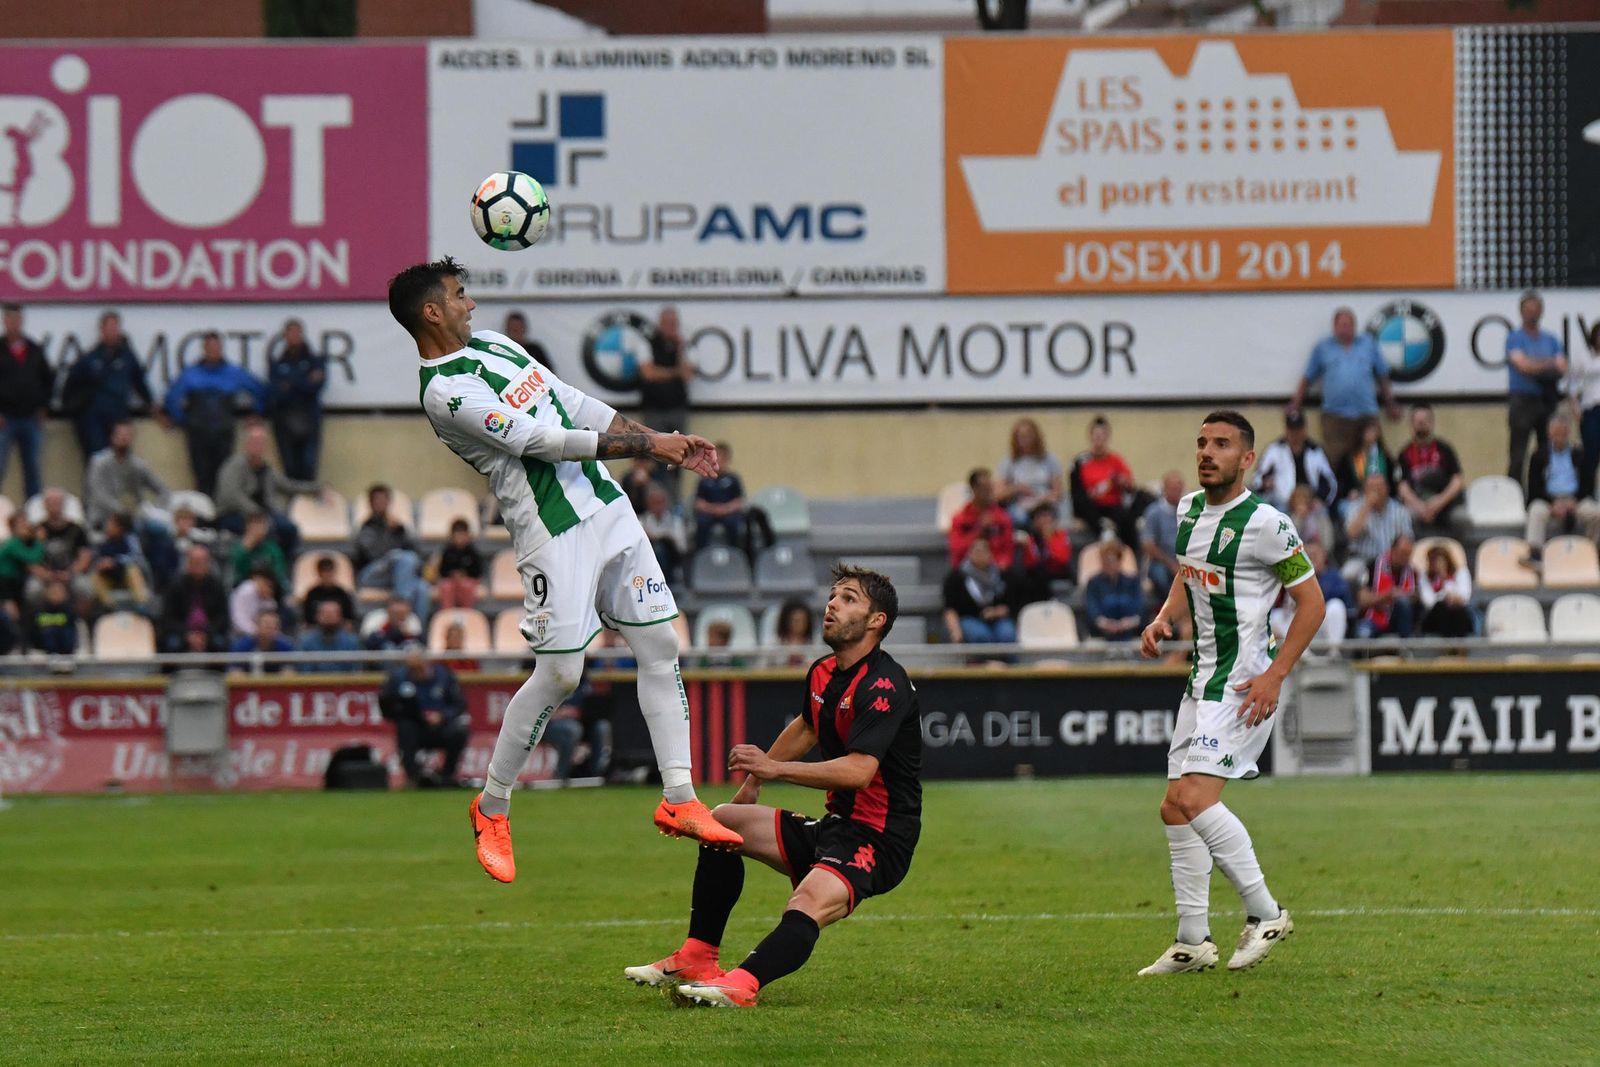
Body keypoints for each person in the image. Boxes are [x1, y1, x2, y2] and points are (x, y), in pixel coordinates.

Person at [389, 256, 740, 876]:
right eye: (460, 295)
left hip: (607, 506)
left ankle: (680, 799)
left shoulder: (495, 344)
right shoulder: (445, 392)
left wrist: (659, 442)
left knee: (660, 643)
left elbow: (573, 404)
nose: (472, 305)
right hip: (552, 531)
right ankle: (492, 805)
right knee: (561, 677)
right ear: (431, 312)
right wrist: (650, 444)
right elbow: (541, 441)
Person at [627, 566, 921, 1009]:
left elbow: (860, 771)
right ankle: (698, 958)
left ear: (876, 621)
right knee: (721, 823)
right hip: (837, 826)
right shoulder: (824, 671)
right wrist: (755, 781)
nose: (832, 605)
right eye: (833, 595)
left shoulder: (885, 684)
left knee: (807, 902)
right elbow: (807, 727)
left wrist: (774, 769)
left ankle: (743, 984)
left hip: (879, 839)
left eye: (849, 599)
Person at [1138, 410, 1323, 975]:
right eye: (1201, 442)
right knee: (1174, 807)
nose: (1206, 452)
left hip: (1244, 685)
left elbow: (1312, 604)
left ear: (1246, 459)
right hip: (1200, 680)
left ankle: (1265, 912)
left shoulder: (1267, 524)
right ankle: (1193, 940)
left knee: (1195, 798)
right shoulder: (1187, 509)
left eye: (1221, 444)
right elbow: (1188, 571)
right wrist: (1165, 616)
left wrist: (1275, 676)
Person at [162, 331, 268, 498]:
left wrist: (256, 414)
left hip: (224, 432)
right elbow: (171, 399)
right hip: (198, 433)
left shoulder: (233, 372)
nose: (214, 351)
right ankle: (205, 519)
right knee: (202, 477)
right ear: (204, 349)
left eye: (217, 347)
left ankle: (222, 519)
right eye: (210, 347)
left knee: (225, 477)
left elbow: (260, 391)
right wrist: (183, 421)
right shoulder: (191, 373)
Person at [1289, 307, 1400, 466]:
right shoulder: (1323, 348)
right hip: (1335, 416)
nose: (1346, 328)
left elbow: (1383, 376)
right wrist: (1295, 405)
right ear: (1334, 326)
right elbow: (1307, 377)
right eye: (1342, 325)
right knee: (1335, 461)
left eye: (1349, 325)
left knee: (1373, 458)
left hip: (1366, 414)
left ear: (1355, 326)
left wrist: (1391, 404)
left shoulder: (1368, 344)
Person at [59, 310, 155, 464]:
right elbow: (70, 388)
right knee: (97, 463)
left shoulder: (127, 357)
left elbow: (139, 382)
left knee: (121, 464)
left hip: (119, 417)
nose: (113, 332)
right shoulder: (88, 359)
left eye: (116, 327)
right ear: (101, 330)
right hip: (93, 420)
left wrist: (152, 406)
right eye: (110, 327)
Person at [214, 423, 317, 556]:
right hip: (234, 514)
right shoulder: (233, 466)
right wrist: (255, 513)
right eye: (255, 442)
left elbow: (288, 486)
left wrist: (315, 488)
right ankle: (259, 567)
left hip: (265, 514)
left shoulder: (267, 469)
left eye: (261, 442)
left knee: (289, 529)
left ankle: (281, 566)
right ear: (247, 444)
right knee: (268, 532)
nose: (258, 446)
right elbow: (231, 495)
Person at [380, 644, 470, 787]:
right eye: (412, 669)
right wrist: (412, 714)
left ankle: (447, 775)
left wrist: (442, 716)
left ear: (425, 663)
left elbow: (459, 704)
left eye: (418, 668)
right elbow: (386, 706)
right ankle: (414, 778)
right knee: (405, 727)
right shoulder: (398, 678)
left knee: (460, 730)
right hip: (415, 726)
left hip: (441, 725)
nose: (416, 673)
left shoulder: (444, 676)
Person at [1505, 290, 1568, 488]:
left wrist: (1535, 366)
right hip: (1522, 400)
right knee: (1518, 455)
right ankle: (1514, 498)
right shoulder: (1515, 338)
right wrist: (1548, 364)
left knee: (1547, 452)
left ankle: (1543, 495)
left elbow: (1563, 367)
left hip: (1547, 400)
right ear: (1521, 312)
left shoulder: (1551, 339)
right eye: (1528, 310)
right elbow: (1522, 366)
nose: (1532, 313)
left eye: (1535, 309)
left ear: (1541, 311)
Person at [352, 484, 430, 622]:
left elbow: (415, 551)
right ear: (371, 503)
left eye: (384, 500)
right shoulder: (366, 527)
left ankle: (415, 631)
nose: (381, 503)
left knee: (422, 588)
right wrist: (389, 532)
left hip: (396, 576)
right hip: (371, 575)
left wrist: (399, 531)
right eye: (377, 500)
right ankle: (401, 604)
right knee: (400, 557)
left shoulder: (398, 527)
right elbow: (374, 554)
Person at [0, 302, 53, 500]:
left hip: (31, 419)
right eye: (10, 320)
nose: (14, 324)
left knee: (33, 470)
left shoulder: (34, 350)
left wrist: (44, 407)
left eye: (18, 320)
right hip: (5, 420)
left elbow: (48, 380)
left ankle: (33, 514)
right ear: (5, 322)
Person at [1069, 416, 1147, 549]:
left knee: (1127, 519)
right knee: (1085, 505)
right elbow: (1075, 490)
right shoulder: (1081, 461)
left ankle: (1131, 554)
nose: (1099, 439)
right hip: (1090, 505)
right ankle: (1103, 532)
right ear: (1090, 436)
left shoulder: (1115, 460)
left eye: (1102, 435)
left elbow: (1131, 486)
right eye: (1096, 435)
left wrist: (1122, 482)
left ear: (1108, 437)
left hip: (1112, 504)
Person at [1526, 412, 1600, 549]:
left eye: (1561, 434)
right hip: (1548, 500)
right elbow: (1534, 488)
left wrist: (1573, 501)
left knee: (1596, 514)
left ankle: (1593, 552)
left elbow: (1588, 484)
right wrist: (1553, 503)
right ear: (1549, 434)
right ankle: (1534, 553)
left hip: (1575, 499)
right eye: (1555, 435)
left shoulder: (1579, 454)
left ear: (1568, 433)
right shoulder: (1538, 456)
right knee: (1535, 512)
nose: (1558, 439)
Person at [266, 318, 327, 482]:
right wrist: (303, 380)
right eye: (290, 333)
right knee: (290, 468)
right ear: (285, 337)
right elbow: (276, 391)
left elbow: (315, 388)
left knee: (308, 466)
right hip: (284, 420)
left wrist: (290, 382)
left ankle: (307, 505)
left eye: (297, 333)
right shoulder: (278, 363)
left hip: (309, 419)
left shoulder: (315, 361)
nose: (293, 337)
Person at [84, 420, 170, 532]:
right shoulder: (98, 463)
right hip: (104, 519)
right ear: (112, 437)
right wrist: (123, 510)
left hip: (134, 521)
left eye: (128, 435)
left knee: (161, 530)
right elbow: (98, 494)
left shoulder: (138, 465)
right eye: (120, 434)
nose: (124, 438)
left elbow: (163, 490)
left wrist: (158, 510)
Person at [1395, 403, 1466, 536]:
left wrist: (1439, 502)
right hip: (1417, 503)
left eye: (1425, 421)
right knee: (1404, 516)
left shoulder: (1445, 449)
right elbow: (1402, 486)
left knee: (1459, 517)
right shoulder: (1404, 454)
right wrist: (1419, 507)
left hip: (1444, 502)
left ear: (1432, 423)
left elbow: (1457, 480)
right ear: (1411, 425)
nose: (1421, 425)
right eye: (1418, 422)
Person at [1251, 409, 1337, 511]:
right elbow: (1257, 478)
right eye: (1291, 430)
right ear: (1286, 430)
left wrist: (1320, 499)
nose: (1295, 434)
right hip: (1282, 504)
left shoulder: (1315, 451)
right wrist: (1265, 483)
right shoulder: (1275, 450)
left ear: (1304, 429)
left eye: (1298, 430)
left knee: (1321, 515)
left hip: (1310, 504)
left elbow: (1330, 483)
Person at [1271, 542, 1350, 650]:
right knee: (1275, 616)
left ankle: (1334, 653)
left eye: (1315, 555)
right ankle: (1301, 657)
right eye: (1308, 555)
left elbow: (1344, 601)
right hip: (1300, 627)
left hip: (1322, 627)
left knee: (1336, 606)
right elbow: (1281, 604)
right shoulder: (1293, 575)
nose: (1312, 559)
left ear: (1324, 555)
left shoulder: (1332, 576)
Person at [941, 538, 1015, 645]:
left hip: (998, 618)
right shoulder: (957, 577)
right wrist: (956, 631)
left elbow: (1012, 603)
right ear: (969, 554)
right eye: (976, 551)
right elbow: (950, 608)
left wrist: (997, 612)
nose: (979, 555)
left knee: (1007, 635)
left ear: (990, 554)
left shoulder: (1002, 576)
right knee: (981, 636)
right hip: (969, 617)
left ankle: (1009, 661)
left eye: (983, 551)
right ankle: (985, 661)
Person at [158, 546, 230, 653]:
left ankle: (219, 670)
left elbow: (223, 618)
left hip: (209, 632)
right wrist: (188, 634)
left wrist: (206, 634)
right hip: (182, 632)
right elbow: (167, 619)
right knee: (172, 644)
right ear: (188, 564)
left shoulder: (217, 586)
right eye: (195, 562)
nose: (199, 566)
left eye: (203, 562)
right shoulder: (175, 586)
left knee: (220, 643)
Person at [996, 417, 1066, 526]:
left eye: (1027, 435)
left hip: (1043, 503)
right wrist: (1018, 488)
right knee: (1019, 518)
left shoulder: (1049, 460)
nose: (1024, 440)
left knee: (1046, 518)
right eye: (1020, 436)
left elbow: (1058, 492)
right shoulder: (1009, 462)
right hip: (1020, 505)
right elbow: (999, 493)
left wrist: (1043, 498)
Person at [32, 489, 93, 608]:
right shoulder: (36, 529)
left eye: (58, 503)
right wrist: (45, 574)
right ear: (44, 505)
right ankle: (38, 622)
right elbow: (29, 559)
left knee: (85, 589)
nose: (55, 506)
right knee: (33, 590)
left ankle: (78, 621)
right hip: (45, 575)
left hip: (71, 573)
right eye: (51, 503)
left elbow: (85, 556)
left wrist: (70, 573)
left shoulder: (77, 529)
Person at [639, 305, 694, 438]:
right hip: (653, 408)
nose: (671, 327)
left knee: (680, 452)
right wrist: (675, 372)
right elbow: (649, 374)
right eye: (668, 323)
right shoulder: (647, 343)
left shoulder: (685, 345)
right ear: (660, 323)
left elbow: (688, 375)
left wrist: (681, 351)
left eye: (674, 323)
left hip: (678, 408)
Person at [947, 467, 1015, 569]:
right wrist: (979, 531)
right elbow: (957, 549)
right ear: (974, 489)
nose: (988, 493)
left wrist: (1002, 562)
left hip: (995, 566)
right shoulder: (960, 519)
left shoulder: (1002, 517)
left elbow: (1007, 548)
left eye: (990, 488)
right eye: (984, 488)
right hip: (969, 567)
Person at [1344, 472, 1413, 568]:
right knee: (1349, 572)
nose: (1376, 491)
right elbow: (1351, 533)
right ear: (1365, 490)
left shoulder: (1400, 510)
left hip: (1392, 561)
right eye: (1372, 488)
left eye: (1379, 487)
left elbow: (1408, 540)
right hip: (1363, 560)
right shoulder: (1355, 507)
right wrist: (1367, 506)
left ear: (1387, 489)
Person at [1012, 501, 1074, 606]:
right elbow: (1029, 563)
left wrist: (1047, 540)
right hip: (1037, 576)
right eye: (1040, 517)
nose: (1044, 521)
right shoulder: (1030, 539)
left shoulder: (1062, 536)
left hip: (1058, 572)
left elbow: (1062, 559)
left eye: (1047, 516)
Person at [1356, 533, 1417, 639]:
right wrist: (1388, 595)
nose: (1405, 558)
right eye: (1402, 553)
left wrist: (1406, 597)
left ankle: (1407, 649)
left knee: (1403, 602)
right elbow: (1362, 600)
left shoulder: (1413, 573)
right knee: (1363, 634)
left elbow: (1417, 598)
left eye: (1408, 555)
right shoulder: (1372, 566)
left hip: (1398, 621)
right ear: (1392, 550)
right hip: (1373, 618)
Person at [89, 511, 150, 613]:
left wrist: (115, 562)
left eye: (111, 524)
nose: (107, 526)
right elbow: (95, 557)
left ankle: (142, 604)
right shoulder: (102, 540)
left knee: (132, 569)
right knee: (95, 576)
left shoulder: (130, 540)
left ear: (120, 528)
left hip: (125, 577)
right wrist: (100, 564)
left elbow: (136, 557)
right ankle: (109, 606)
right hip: (109, 578)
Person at [693, 441, 747, 553]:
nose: (717, 461)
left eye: (721, 458)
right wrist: (713, 509)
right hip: (709, 513)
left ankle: (735, 554)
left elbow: (739, 502)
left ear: (727, 460)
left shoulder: (733, 479)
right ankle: (701, 555)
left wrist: (725, 509)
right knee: (702, 523)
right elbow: (698, 503)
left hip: (728, 513)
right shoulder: (704, 478)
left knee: (734, 523)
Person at [1085, 538, 1143, 641]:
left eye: (1111, 560)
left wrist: (1127, 623)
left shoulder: (1132, 582)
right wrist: (1106, 624)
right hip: (1102, 635)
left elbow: (1140, 610)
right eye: (1105, 560)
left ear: (1119, 561)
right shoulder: (1093, 583)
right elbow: (1092, 611)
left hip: (1130, 632)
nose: (1108, 564)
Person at [1140, 471, 1186, 592]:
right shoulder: (1154, 512)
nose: (1177, 493)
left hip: (1186, 561)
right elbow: (1148, 544)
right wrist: (1171, 564)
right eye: (1173, 489)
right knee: (1161, 577)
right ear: (1164, 489)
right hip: (1162, 561)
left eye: (1179, 489)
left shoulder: (1188, 511)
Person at [1333, 419, 1397, 505]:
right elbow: (1339, 482)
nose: (1371, 434)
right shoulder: (1348, 457)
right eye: (1368, 430)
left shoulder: (1385, 456)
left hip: (1382, 499)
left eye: (1374, 430)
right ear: (1360, 433)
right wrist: (1348, 493)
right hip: (1356, 498)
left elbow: (1392, 481)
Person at [1418, 544, 1474, 638]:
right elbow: (1429, 602)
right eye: (1433, 561)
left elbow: (1465, 596)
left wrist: (1446, 580)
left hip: (1457, 612)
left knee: (1458, 610)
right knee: (1442, 607)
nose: (1436, 565)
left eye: (1439, 561)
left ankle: (1460, 645)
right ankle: (1446, 644)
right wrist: (1445, 592)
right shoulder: (1424, 577)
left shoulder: (1461, 572)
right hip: (1435, 615)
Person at [1569, 321, 1600, 490]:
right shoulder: (1583, 356)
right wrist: (1575, 406)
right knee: (1590, 455)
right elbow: (1572, 383)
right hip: (1591, 409)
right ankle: (1588, 494)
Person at [639, 482, 689, 584]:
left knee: (661, 548)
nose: (658, 506)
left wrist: (659, 537)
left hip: (671, 558)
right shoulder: (641, 521)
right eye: (654, 502)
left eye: (660, 502)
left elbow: (682, 547)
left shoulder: (675, 521)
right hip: (647, 559)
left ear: (666, 503)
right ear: (648, 503)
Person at [430, 518, 485, 609]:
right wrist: (452, 575)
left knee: (466, 586)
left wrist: (465, 576)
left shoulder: (473, 552)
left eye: (463, 534)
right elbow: (442, 571)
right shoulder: (446, 551)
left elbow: (478, 572)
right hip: (450, 581)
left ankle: (467, 613)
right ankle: (447, 613)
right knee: (446, 587)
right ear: (452, 536)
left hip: (468, 581)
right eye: (457, 534)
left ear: (468, 535)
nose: (460, 538)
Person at [298, 598, 362, 671]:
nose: (329, 617)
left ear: (340, 616)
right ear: (317, 616)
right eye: (325, 614)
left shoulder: (352, 642)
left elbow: (356, 671)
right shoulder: (306, 642)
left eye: (333, 614)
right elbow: (304, 672)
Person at [229, 512, 288, 591]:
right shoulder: (237, 548)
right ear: (248, 526)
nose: (260, 528)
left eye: (263, 524)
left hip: (269, 591)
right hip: (242, 589)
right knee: (249, 589)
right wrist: (246, 548)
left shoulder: (272, 549)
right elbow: (233, 574)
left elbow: (279, 574)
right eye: (256, 524)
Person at [0, 513, 46, 610]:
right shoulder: (12, 543)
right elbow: (32, 558)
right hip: (5, 582)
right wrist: (40, 541)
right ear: (13, 528)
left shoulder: (23, 542)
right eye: (20, 524)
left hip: (15, 582)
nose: (25, 526)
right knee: (11, 610)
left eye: (25, 523)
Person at [231, 606, 295, 672]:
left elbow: (289, 675)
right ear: (257, 626)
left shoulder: (286, 646)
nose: (271, 629)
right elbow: (235, 674)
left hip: (275, 682)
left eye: (275, 626)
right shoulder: (242, 645)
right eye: (267, 626)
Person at [25, 577, 77, 654]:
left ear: (65, 594)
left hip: (65, 649)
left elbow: (72, 633)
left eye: (59, 591)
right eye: (53, 591)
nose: (56, 593)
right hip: (41, 649)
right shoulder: (37, 611)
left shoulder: (70, 611)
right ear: (46, 592)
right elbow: (32, 633)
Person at [300, 554, 356, 626]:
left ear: (334, 573)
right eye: (324, 573)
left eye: (330, 573)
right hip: (317, 629)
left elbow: (349, 619)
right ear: (319, 574)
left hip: (339, 629)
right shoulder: (312, 594)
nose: (327, 576)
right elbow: (307, 620)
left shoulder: (342, 594)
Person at [1285, 485, 1337, 558]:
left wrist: (1322, 550)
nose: (1302, 503)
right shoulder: (1289, 518)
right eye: (1298, 500)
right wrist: (1299, 517)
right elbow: (1291, 540)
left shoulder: (1319, 515)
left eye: (1304, 499)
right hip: (1300, 553)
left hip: (1320, 552)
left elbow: (1328, 540)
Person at [229, 566, 279, 640]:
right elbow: (238, 620)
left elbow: (272, 620)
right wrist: (257, 632)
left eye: (271, 588)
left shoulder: (269, 600)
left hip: (261, 634)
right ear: (260, 580)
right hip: (239, 634)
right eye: (267, 586)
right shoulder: (245, 591)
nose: (269, 590)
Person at [501, 310, 554, 375]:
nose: (515, 331)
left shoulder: (535, 350)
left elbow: (549, 375)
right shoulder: (500, 350)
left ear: (524, 328)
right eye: (512, 328)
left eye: (517, 328)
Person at [771, 598, 816, 666]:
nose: (799, 625)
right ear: (786, 621)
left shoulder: (815, 645)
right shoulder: (775, 644)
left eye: (803, 621)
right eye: (795, 621)